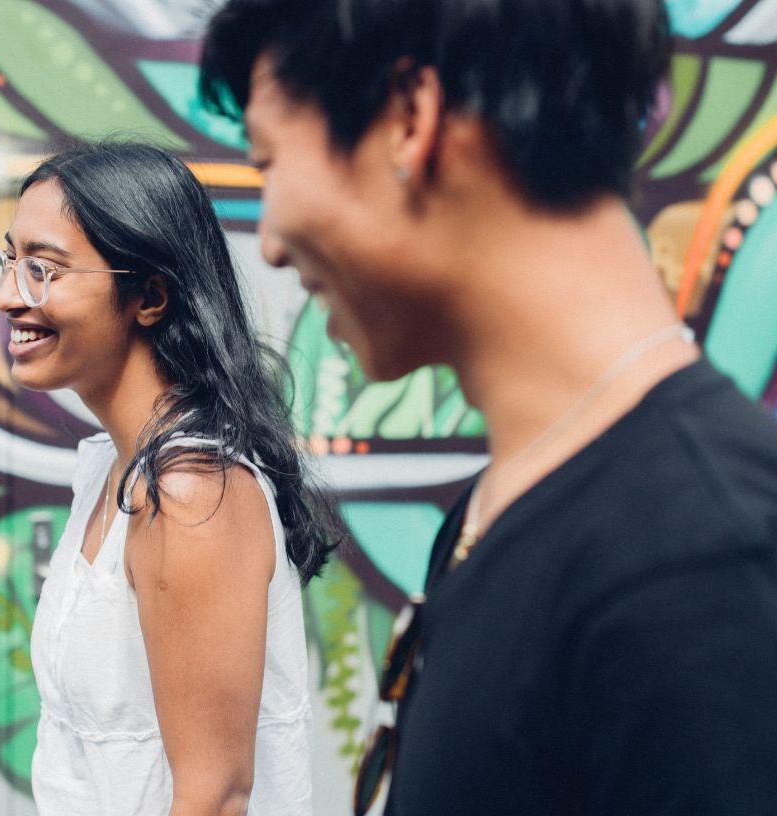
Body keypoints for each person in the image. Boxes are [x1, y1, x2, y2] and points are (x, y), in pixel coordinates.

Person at [199, 1, 777, 814]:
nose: (269, 239)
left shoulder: (703, 568)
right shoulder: (499, 509)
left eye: (269, 162)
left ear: (411, 117)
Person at [0, 140, 336, 815]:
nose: (7, 295)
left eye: (43, 269)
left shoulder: (189, 493)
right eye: (8, 262)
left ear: (149, 296)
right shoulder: (111, 470)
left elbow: (213, 798)